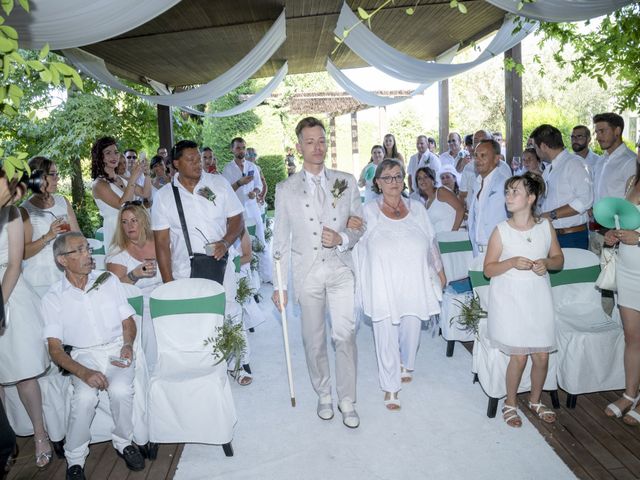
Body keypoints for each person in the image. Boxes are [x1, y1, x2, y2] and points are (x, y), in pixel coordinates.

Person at [272, 116, 364, 428]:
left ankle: (347, 398)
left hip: (340, 270)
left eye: (322, 140)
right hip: (306, 273)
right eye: (310, 142)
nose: (317, 147)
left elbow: (359, 223)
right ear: (299, 147)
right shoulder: (285, 189)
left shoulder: (346, 180)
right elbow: (280, 240)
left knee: (345, 335)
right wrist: (280, 284)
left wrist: (342, 238)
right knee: (314, 340)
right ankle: (323, 392)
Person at [43, 232, 145, 479]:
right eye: (78, 250)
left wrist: (128, 345)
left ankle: (124, 443)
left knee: (121, 391)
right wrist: (84, 371)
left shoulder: (108, 279)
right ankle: (75, 459)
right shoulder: (53, 297)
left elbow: (127, 320)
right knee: (85, 398)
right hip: (83, 356)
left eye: (87, 248)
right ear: (62, 260)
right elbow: (55, 349)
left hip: (116, 349)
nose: (88, 254)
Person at [354, 159, 445, 410]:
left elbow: (431, 240)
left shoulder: (417, 208)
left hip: (413, 280)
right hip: (381, 281)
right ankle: (390, 386)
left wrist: (439, 270)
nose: (393, 182)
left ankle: (406, 361)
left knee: (411, 328)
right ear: (378, 183)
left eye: (397, 176)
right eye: (387, 178)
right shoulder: (367, 211)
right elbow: (353, 242)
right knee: (384, 332)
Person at [483, 172, 564, 428]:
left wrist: (546, 263)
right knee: (518, 357)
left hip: (537, 297)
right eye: (507, 191)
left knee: (541, 355)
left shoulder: (544, 227)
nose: (508, 196)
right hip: (510, 299)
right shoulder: (501, 231)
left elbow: (558, 260)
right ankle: (510, 403)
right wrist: (511, 262)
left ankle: (536, 400)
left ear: (530, 198)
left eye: (514, 191)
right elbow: (488, 270)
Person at [0, 205, 51, 469]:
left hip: (9, 291)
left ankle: (40, 434)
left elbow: (15, 264)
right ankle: (3, 443)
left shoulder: (12, 213)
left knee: (23, 372)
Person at [152, 140, 243, 283]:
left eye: (198, 158)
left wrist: (225, 243)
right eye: (190, 159)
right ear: (176, 163)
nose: (198, 163)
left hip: (222, 268)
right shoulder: (164, 196)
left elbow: (237, 218)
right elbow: (161, 243)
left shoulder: (219, 183)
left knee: (226, 305)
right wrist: (168, 283)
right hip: (184, 273)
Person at [603, 142, 640, 425]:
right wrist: (613, 235)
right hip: (628, 268)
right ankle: (630, 394)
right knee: (631, 337)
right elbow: (622, 220)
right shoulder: (632, 180)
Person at [106, 203, 162, 371]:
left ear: (144, 221)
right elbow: (113, 289)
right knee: (150, 321)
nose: (129, 226)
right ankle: (152, 370)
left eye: (133, 220)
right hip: (139, 302)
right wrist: (134, 275)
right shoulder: (118, 252)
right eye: (124, 222)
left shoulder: (161, 241)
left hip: (165, 294)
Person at [21, 156, 81, 296]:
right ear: (39, 178)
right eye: (52, 174)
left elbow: (78, 235)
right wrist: (48, 236)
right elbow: (23, 252)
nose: (57, 178)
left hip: (67, 273)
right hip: (40, 280)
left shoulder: (63, 201)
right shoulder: (25, 210)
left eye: (57, 174)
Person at [532, 124, 593, 249]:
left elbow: (585, 200)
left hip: (571, 236)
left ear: (543, 146)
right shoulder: (549, 169)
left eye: (535, 147)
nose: (535, 152)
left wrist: (551, 215)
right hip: (552, 235)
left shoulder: (574, 163)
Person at [91, 137, 151, 252]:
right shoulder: (98, 184)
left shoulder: (122, 178)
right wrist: (133, 177)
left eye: (116, 152)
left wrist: (147, 174)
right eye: (108, 153)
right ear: (100, 157)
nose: (114, 156)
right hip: (115, 230)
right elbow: (123, 205)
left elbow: (145, 193)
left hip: (132, 228)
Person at [468, 139, 510, 255]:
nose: (478, 160)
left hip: (500, 251)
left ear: (496, 159)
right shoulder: (477, 182)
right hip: (478, 250)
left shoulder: (505, 183)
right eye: (476, 155)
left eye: (483, 155)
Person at [593, 112, 636, 203]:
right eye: (596, 132)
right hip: (596, 216)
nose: (597, 137)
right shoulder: (601, 160)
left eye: (602, 131)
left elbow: (633, 203)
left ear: (617, 131)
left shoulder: (631, 161)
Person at [411, 167, 464, 232]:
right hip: (442, 239)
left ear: (433, 179)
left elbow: (461, 209)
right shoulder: (426, 204)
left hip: (456, 237)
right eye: (419, 178)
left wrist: (453, 232)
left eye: (425, 177)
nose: (422, 180)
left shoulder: (441, 191)